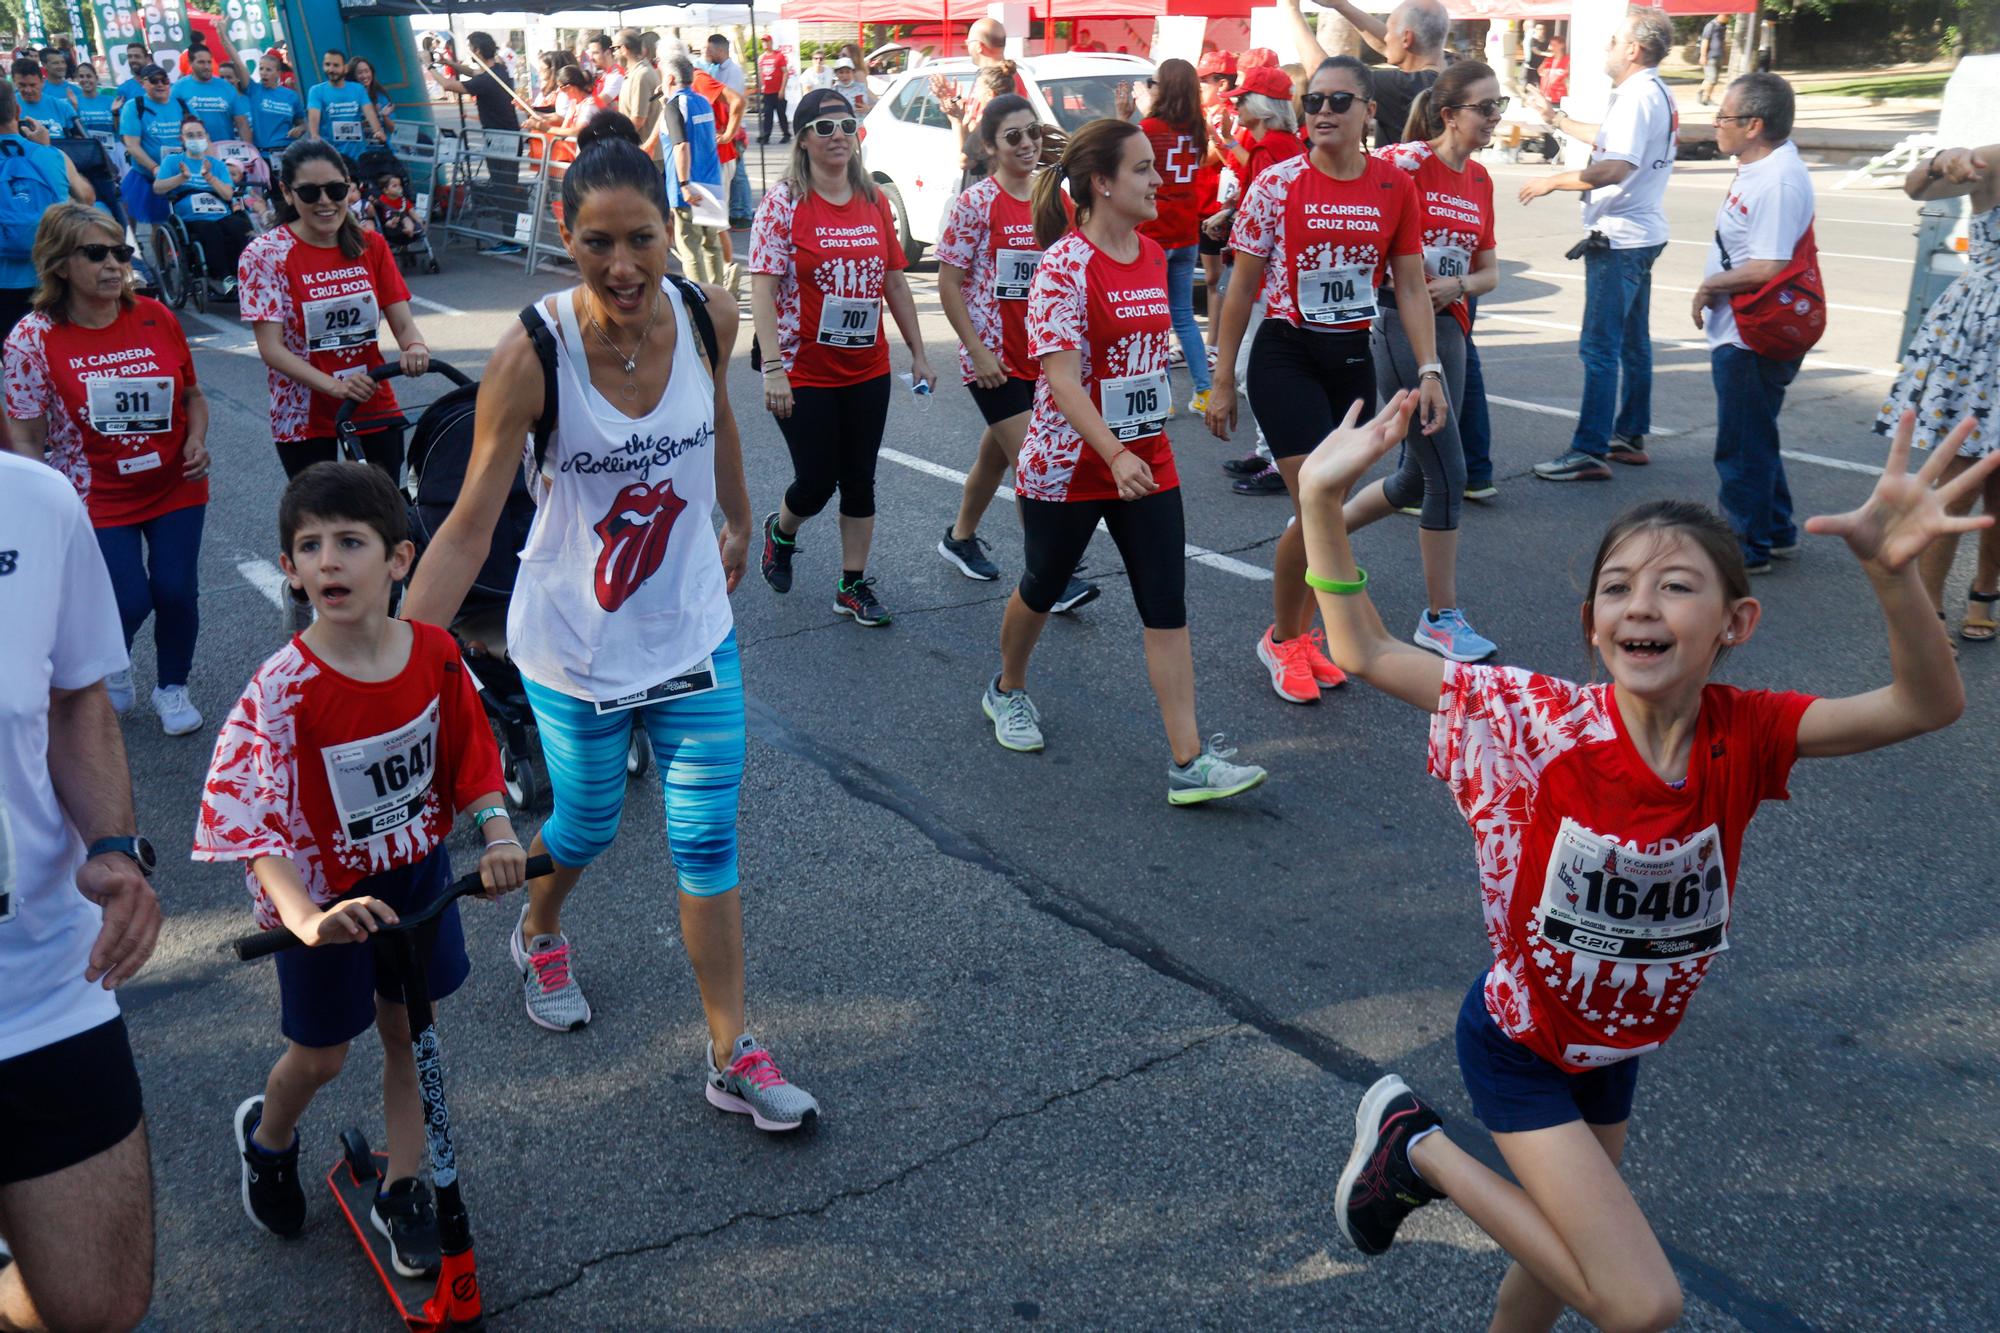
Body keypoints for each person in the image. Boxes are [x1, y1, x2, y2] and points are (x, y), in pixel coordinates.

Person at [1303, 393, 1994, 1333]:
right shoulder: (1541, 722)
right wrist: (1315, 501)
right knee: (1639, 1301)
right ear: (1594, 625)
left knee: (1553, 1271)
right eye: (1621, 585)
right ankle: (1416, 1148)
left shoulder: (1750, 734)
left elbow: (1925, 705)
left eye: (1677, 586)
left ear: (1735, 622)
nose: (1643, 601)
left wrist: (1889, 574)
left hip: (1613, 1051)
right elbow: (1367, 649)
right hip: (1519, 1046)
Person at [401, 114, 820, 1131]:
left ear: (673, 232)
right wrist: (389, 669)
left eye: (641, 238)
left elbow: (716, 419)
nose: (622, 264)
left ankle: (732, 1050)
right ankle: (540, 928)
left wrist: (730, 513)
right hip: (575, 642)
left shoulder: (708, 314)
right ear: (563, 231)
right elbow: (462, 531)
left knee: (703, 836)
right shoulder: (533, 355)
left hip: (687, 633)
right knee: (584, 821)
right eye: (598, 242)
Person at [194, 461, 527, 1278]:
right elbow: (253, 818)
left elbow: (471, 760)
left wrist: (495, 830)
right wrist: (302, 915)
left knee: (411, 1038)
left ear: (400, 560)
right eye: (310, 547)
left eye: (351, 542)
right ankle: (268, 1141)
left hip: (414, 878)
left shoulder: (437, 654)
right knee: (322, 1055)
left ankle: (404, 1188)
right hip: (327, 900)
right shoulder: (284, 687)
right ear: (290, 571)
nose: (329, 562)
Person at [979, 115, 1265, 806]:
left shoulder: (1148, 251)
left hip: (1146, 457)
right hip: (1070, 463)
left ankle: (1188, 760)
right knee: (1043, 582)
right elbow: (1061, 378)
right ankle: (1006, 688)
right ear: (1102, 183)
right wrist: (1109, 452)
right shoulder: (1064, 264)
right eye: (1141, 169)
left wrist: (1202, 392)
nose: (1158, 178)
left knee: (1166, 602)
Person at [1205, 55, 1445, 703]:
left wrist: (1429, 369)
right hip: (1286, 355)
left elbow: (1413, 286)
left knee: (1328, 509)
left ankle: (1303, 633)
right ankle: (1286, 639)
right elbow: (1241, 287)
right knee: (1315, 509)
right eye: (1313, 102)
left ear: (1371, 111)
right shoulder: (1278, 184)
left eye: (1341, 102)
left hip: (1351, 362)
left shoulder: (1394, 185)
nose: (1324, 114)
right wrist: (1222, 377)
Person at [0, 440, 161, 1333]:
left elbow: (73, 697)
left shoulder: (34, 500)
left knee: (98, 1304)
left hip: (37, 981)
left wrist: (111, 842)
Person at [4, 204, 207, 735]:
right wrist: (42, 500)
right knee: (127, 597)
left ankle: (172, 687)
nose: (114, 265)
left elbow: (192, 394)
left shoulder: (155, 316)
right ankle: (111, 663)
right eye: (96, 254)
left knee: (176, 590)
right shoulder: (32, 339)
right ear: (60, 264)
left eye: (121, 251)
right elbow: (25, 433)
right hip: (93, 495)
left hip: (174, 484)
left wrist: (197, 441)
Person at [751, 88, 933, 626]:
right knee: (815, 481)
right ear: (804, 138)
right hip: (801, 369)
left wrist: (919, 353)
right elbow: (763, 289)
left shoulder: (874, 198)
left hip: (866, 367)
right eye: (825, 128)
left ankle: (851, 584)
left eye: (847, 126)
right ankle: (780, 532)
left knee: (859, 479)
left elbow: (895, 281)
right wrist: (774, 369)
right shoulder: (784, 202)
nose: (839, 137)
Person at [933, 93, 1096, 611]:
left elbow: (1073, 270)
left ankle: (959, 537)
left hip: (1045, 356)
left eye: (1032, 133)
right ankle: (1050, 571)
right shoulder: (975, 203)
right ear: (990, 146)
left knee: (1000, 454)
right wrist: (976, 350)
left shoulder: (1055, 199)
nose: (1026, 145)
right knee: (1033, 458)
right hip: (995, 359)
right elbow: (949, 282)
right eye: (1013, 137)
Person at [1369, 62, 1504, 660]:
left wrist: (1459, 286)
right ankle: (1440, 617)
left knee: (1410, 476)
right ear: (1450, 114)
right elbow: (1361, 224)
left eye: (1500, 106)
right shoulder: (1403, 164)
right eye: (1486, 108)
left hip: (1453, 329)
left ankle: (1312, 536)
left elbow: (1491, 272)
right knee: (1448, 473)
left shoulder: (1480, 179)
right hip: (1398, 325)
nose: (1496, 118)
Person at [1522, 4, 1676, 483]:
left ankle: (1588, 449)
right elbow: (1613, 143)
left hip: (1621, 238)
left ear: (1633, 49)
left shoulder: (1635, 97)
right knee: (1632, 343)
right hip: (1643, 232)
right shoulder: (1653, 92)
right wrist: (1557, 119)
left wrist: (1556, 180)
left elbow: (1615, 166)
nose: (1607, 49)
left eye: (1613, 42)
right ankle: (1629, 434)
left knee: (1599, 348)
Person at [240, 140, 429, 490]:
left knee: (383, 506)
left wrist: (415, 345)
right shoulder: (264, 255)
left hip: (370, 396)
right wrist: (335, 387)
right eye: (311, 192)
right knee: (321, 516)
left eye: (336, 189)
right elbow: (271, 347)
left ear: (350, 188)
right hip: (303, 411)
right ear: (287, 192)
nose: (325, 201)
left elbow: (403, 322)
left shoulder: (370, 244)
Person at [1692, 73, 1813, 577]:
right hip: (1741, 324)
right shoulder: (1759, 165)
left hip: (1754, 330)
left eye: (1724, 117)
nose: (1717, 124)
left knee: (1740, 442)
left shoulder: (1779, 180)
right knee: (1754, 431)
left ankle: (1746, 546)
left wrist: (1709, 286)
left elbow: (1768, 264)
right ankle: (1776, 529)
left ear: (1754, 125)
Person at [1882, 140, 2000, 640]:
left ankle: (1985, 590)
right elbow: (1915, 188)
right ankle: (1928, 613)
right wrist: (1938, 163)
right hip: (1983, 343)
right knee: (1958, 486)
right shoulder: (1994, 158)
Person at [1209, 64, 1306, 498]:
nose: (1237, 105)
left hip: (1267, 276)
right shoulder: (1283, 145)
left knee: (1252, 370)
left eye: (1243, 99)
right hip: (1275, 274)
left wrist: (1232, 219)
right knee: (1257, 366)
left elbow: (1266, 216)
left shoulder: (1272, 149)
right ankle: (1270, 453)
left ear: (1262, 107)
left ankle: (1278, 457)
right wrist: (1230, 215)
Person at [1135, 60, 1214, 416]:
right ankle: (1204, 390)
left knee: (1154, 318)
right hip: (1187, 230)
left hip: (1154, 231)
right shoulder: (1199, 128)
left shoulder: (1149, 127)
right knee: (1182, 316)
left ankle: (1162, 396)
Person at [1279, 0, 1448, 151]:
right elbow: (1392, 46)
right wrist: (1341, 5)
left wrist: (1291, 9)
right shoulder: (1449, 76)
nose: (1386, 38)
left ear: (1406, 38)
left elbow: (1323, 75)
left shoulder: (1402, 87)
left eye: (1389, 31)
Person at [0, 86, 91, 344]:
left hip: (4, 282)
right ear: (17, 111)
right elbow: (86, 197)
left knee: (15, 360)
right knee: (60, 353)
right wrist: (46, 147)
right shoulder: (52, 155)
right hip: (52, 275)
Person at [154, 114, 256, 293]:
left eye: (199, 135)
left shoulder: (217, 165)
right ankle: (226, 278)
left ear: (207, 137)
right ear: (182, 139)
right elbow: (158, 188)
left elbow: (227, 194)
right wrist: (182, 177)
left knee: (240, 227)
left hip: (220, 211)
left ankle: (246, 273)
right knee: (209, 230)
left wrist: (209, 178)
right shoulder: (173, 161)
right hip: (191, 216)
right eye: (190, 135)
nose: (196, 139)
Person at [663, 51, 726, 286]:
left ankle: (702, 300)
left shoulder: (674, 106)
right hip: (711, 180)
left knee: (690, 248)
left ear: (669, 79)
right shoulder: (702, 101)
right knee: (712, 245)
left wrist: (683, 183)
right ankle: (718, 294)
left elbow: (681, 146)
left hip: (689, 186)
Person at [434, 31, 522, 190]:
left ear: (478, 51)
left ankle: (509, 214)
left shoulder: (487, 80)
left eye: (469, 49)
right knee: (505, 185)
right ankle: (508, 212)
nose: (468, 52)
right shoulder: (497, 70)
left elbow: (448, 85)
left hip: (501, 139)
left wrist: (429, 66)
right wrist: (448, 63)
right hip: (507, 136)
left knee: (504, 187)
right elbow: (472, 72)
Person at [118, 64, 182, 251]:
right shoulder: (134, 106)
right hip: (146, 176)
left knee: (171, 225)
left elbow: (198, 134)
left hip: (179, 176)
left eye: (165, 80)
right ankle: (137, 259)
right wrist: (154, 168)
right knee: (143, 223)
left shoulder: (181, 104)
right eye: (154, 81)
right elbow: (132, 144)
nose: (160, 84)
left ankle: (169, 264)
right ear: (143, 83)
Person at [703, 35, 754, 227]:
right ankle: (738, 211)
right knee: (736, 173)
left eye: (710, 50)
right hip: (730, 129)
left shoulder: (731, 71)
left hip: (734, 130)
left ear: (720, 51)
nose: (707, 53)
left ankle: (744, 213)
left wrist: (728, 133)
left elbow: (733, 103)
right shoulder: (718, 69)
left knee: (739, 173)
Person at [307, 48, 385, 160]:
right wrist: (314, 135)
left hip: (358, 155)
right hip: (331, 156)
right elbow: (314, 117)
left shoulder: (357, 89)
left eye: (336, 65)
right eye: (327, 65)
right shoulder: (316, 91)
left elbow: (369, 111)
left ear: (345, 68)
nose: (331, 69)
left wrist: (377, 130)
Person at [170, 44, 252, 146]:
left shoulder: (226, 87)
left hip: (225, 150)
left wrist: (248, 148)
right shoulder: (178, 88)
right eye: (201, 62)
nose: (207, 66)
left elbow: (242, 124)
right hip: (195, 151)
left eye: (209, 62)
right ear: (190, 63)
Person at [615, 28, 662, 169]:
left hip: (645, 154)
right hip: (640, 151)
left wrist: (614, 138)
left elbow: (638, 119)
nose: (613, 53)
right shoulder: (636, 73)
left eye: (614, 48)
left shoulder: (641, 75)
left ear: (623, 49)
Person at [247, 52, 306, 162]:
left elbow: (302, 123)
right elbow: (237, 64)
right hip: (261, 156)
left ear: (278, 73)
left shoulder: (291, 96)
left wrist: (300, 128)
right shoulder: (254, 89)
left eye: (268, 70)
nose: (263, 73)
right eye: (261, 69)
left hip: (287, 153)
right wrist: (224, 39)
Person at [15, 58, 80, 136]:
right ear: (14, 82)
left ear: (42, 82)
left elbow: (79, 140)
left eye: (32, 85)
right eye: (22, 85)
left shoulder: (62, 107)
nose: (28, 90)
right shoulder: (6, 107)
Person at [348, 57, 395, 139]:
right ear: (353, 76)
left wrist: (384, 116)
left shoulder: (380, 96)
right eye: (360, 73)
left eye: (367, 71)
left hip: (384, 146)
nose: (364, 76)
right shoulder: (347, 99)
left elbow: (393, 130)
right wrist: (366, 122)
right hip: (362, 148)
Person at [72, 61, 120, 140]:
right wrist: (74, 108)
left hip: (113, 148)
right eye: (81, 76)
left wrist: (115, 113)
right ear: (77, 79)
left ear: (96, 78)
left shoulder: (111, 101)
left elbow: (118, 130)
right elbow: (73, 132)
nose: (85, 79)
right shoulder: (73, 101)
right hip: (88, 149)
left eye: (89, 76)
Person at [758, 41, 790, 144]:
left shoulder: (779, 56)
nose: (765, 44)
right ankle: (766, 136)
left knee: (781, 114)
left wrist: (782, 89)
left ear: (771, 43)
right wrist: (760, 86)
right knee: (767, 114)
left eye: (767, 42)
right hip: (767, 91)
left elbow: (785, 72)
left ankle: (786, 134)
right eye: (763, 42)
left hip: (777, 91)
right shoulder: (761, 57)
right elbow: (760, 72)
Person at [113, 40, 155, 111]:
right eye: (130, 57)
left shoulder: (161, 84)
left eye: (137, 56)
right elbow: (122, 118)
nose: (133, 60)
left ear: (147, 59)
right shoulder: (123, 89)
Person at [1699, 14, 1729, 106]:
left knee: (1710, 78)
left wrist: (1725, 55)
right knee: (1712, 79)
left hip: (1718, 56)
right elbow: (1705, 41)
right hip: (1710, 57)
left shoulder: (1723, 27)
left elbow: (1722, 42)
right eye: (1727, 16)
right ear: (1720, 15)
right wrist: (1703, 56)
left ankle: (1700, 94)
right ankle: (1706, 99)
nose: (1728, 18)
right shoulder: (1710, 25)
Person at [585, 33, 624, 103]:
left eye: (595, 53)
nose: (591, 58)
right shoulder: (605, 74)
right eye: (590, 53)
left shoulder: (616, 76)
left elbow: (598, 102)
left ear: (608, 53)